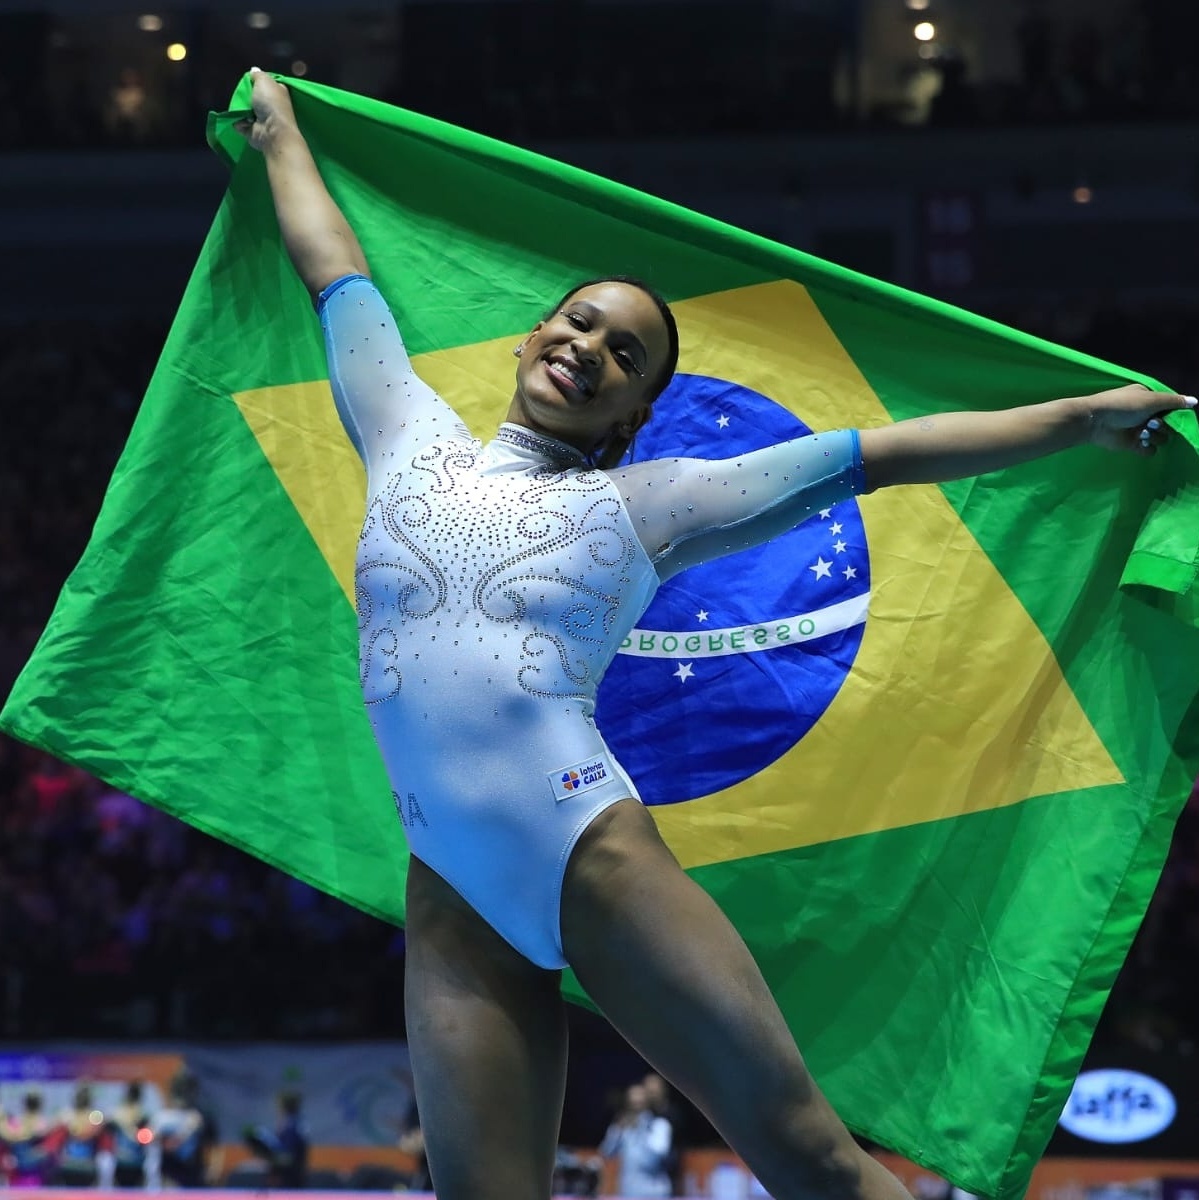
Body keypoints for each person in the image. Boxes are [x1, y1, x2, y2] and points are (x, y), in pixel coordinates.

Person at [235, 67, 1195, 1200]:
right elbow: (333, 267)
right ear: (531, 335)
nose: (590, 347)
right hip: (449, 898)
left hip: (587, 855)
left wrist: (1077, 419)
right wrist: (278, 129)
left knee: (807, 1159)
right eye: (580, 321)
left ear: (631, 415)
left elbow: (882, 455)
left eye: (624, 353)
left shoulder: (647, 508)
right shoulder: (402, 429)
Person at [597, 1082, 675, 1198]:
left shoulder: (659, 1125)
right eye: (632, 1104)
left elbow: (654, 1158)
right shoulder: (622, 1127)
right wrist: (617, 1129)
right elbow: (606, 1153)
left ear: (648, 1103)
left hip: (655, 1192)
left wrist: (641, 1127)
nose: (636, 1107)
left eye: (640, 1104)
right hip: (629, 1191)